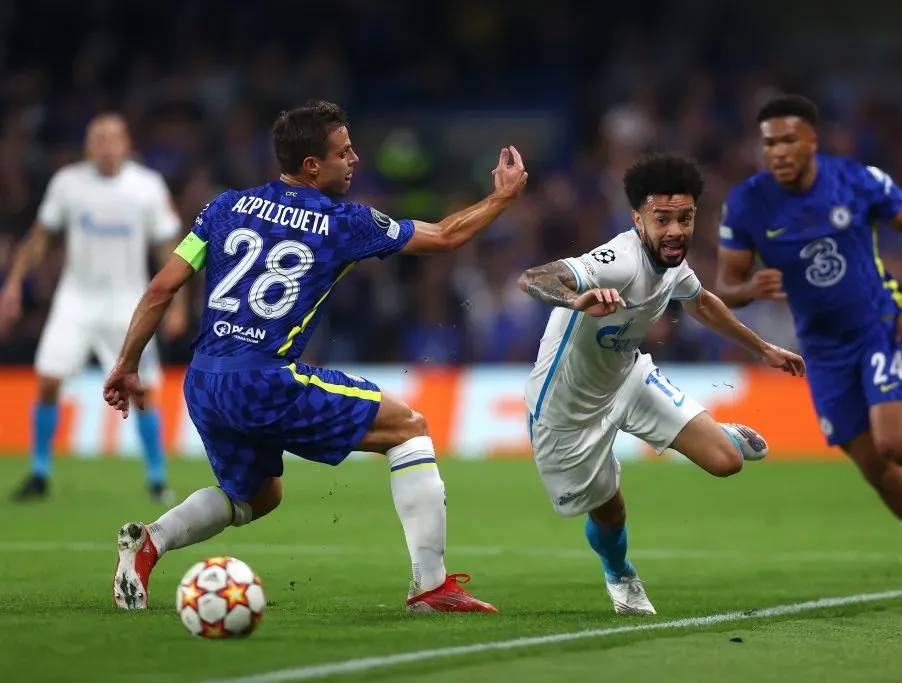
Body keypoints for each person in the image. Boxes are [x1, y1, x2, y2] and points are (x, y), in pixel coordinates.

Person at [103, 100, 528, 613]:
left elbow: (160, 290)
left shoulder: (224, 208)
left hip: (205, 380)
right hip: (265, 379)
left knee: (258, 496)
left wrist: (126, 365)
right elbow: (446, 236)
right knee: (409, 428)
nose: (355, 160)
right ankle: (432, 589)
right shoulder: (342, 222)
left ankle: (149, 542)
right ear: (312, 166)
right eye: (343, 153)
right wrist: (501, 198)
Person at [715, 94, 902, 589]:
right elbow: (727, 284)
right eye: (769, 143)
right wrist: (747, 289)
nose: (777, 151)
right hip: (821, 351)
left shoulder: (855, 180)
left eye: (788, 140)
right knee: (875, 468)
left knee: (896, 443)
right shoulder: (747, 203)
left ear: (812, 142)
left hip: (879, 326)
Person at [517, 153, 805, 614]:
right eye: (662, 219)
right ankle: (620, 576)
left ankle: (721, 435)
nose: (676, 230)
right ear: (638, 219)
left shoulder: (672, 264)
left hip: (629, 376)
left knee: (727, 461)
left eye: (685, 218)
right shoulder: (617, 261)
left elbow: (703, 302)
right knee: (610, 512)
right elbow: (533, 278)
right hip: (566, 411)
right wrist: (578, 298)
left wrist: (763, 349)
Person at [0, 113, 186, 505]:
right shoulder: (69, 183)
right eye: (97, 137)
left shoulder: (146, 186)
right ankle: (39, 473)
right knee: (48, 381)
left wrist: (177, 301)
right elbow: (41, 237)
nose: (105, 144)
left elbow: (168, 247)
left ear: (126, 142)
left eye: (112, 137)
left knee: (143, 392)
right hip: (76, 301)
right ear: (89, 143)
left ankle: (157, 478)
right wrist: (14, 284)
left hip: (127, 305)